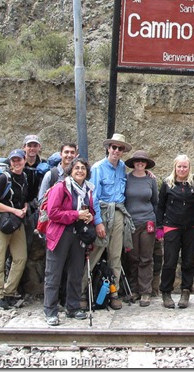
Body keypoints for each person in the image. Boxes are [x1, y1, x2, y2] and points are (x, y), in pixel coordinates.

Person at [82, 133, 135, 311]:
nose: (117, 151)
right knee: (96, 252)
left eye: (120, 148)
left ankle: (114, 293)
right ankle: (82, 292)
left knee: (115, 255)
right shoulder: (97, 168)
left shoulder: (122, 168)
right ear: (108, 148)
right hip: (102, 213)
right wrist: (97, 222)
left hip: (118, 212)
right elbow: (93, 197)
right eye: (114, 147)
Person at [43, 157, 94, 325]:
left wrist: (89, 215)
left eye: (83, 168)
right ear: (70, 171)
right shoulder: (61, 187)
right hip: (60, 234)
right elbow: (53, 213)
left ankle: (72, 307)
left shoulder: (87, 190)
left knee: (76, 272)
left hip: (77, 234)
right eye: (77, 168)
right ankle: (50, 310)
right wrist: (76, 215)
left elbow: (89, 209)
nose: (80, 171)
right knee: (54, 272)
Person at [157, 154, 194, 309]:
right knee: (170, 261)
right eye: (179, 166)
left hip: (191, 227)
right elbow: (160, 206)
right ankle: (166, 292)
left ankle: (186, 290)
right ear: (175, 167)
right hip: (172, 226)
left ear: (189, 168)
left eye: (185, 167)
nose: (182, 169)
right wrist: (159, 228)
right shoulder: (167, 184)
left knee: (188, 261)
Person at [0, 149, 29, 309]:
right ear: (10, 162)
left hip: (17, 221)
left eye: (19, 160)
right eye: (14, 160)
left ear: (24, 160)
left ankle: (9, 291)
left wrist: (24, 208)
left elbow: (24, 198)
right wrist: (14, 211)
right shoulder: (4, 178)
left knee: (20, 258)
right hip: (2, 221)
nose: (17, 163)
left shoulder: (23, 177)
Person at [124, 150, 159, 307]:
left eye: (143, 161)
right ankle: (134, 290)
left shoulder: (151, 181)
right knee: (132, 257)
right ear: (133, 163)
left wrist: (158, 225)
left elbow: (155, 202)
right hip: (131, 222)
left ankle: (146, 291)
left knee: (146, 257)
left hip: (147, 222)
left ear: (146, 164)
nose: (140, 163)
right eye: (137, 161)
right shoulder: (126, 179)